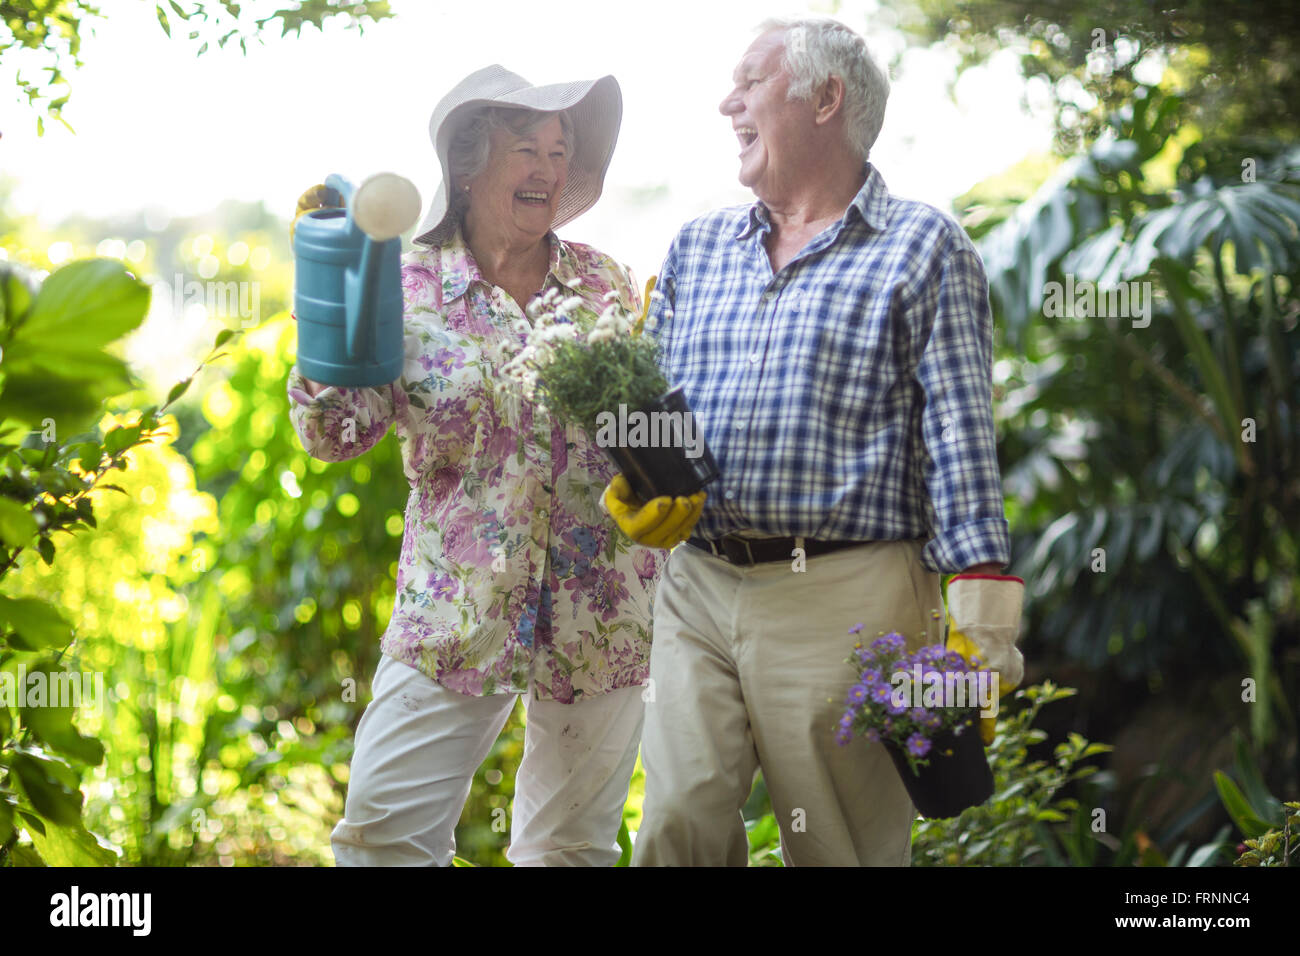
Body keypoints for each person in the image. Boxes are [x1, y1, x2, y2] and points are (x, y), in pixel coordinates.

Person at [604, 17, 1027, 866]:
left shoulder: (923, 246)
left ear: (826, 97)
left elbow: (960, 443)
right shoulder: (699, 245)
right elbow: (652, 400)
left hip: (848, 597)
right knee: (676, 825)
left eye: (751, 80)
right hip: (699, 585)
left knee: (843, 849)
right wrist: (637, 476)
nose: (728, 101)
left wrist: (981, 637)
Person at [287, 65, 665, 866]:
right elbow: (335, 435)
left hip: (601, 607)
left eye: (560, 151)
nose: (548, 168)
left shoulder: (604, 281)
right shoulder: (403, 281)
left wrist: (663, 466)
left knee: (573, 848)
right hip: (455, 608)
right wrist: (332, 319)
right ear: (466, 166)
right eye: (526, 147)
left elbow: (645, 426)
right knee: (383, 835)